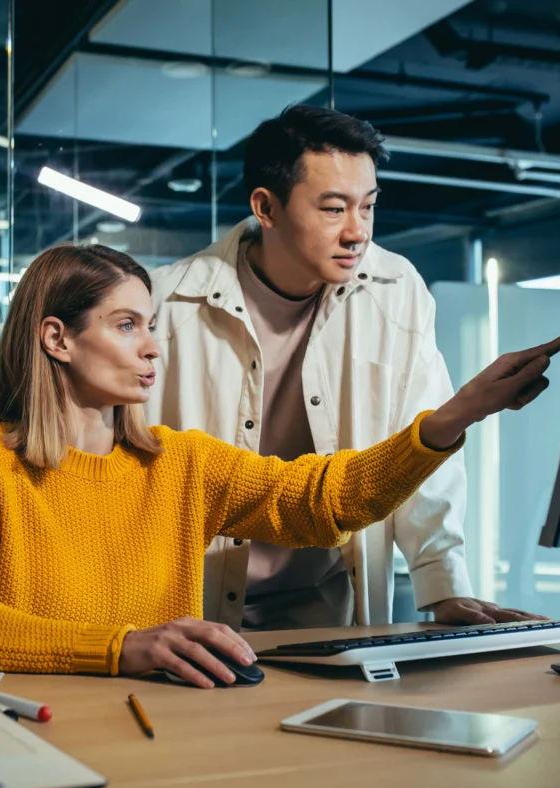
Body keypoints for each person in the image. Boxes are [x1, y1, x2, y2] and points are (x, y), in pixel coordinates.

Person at [0, 242, 560, 688]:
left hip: (159, 731)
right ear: (57, 338)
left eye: (151, 325)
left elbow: (324, 500)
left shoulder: (179, 462)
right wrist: (122, 648)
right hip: (32, 728)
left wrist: (449, 419)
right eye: (126, 326)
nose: (152, 348)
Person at [146, 104, 531, 631]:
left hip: (329, 609)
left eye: (367, 207)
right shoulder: (166, 303)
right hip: (191, 610)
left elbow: (417, 448)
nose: (358, 232)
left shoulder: (397, 291)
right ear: (266, 207)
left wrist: (442, 584)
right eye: (333, 209)